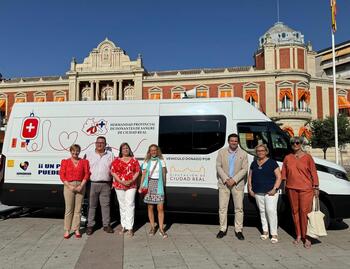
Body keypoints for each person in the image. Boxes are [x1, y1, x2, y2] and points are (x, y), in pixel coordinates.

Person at [281, 136, 319, 249]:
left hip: (306, 189)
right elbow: (284, 174)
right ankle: (298, 235)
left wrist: (316, 187)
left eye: (297, 143)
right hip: (291, 188)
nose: (295, 145)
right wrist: (284, 187)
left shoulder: (308, 157)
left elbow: (314, 173)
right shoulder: (288, 157)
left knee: (304, 212)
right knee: (294, 212)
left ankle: (306, 237)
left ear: (301, 144)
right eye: (293, 143)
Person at [216, 133, 248, 240]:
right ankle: (222, 229)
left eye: (235, 141)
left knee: (239, 208)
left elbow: (244, 169)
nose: (233, 142)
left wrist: (234, 180)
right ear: (228, 141)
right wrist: (226, 179)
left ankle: (238, 230)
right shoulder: (222, 152)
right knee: (222, 208)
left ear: (238, 142)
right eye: (232, 140)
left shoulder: (243, 153)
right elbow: (218, 166)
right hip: (224, 183)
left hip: (237, 184)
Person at [248, 144, 282, 243]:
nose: (260, 152)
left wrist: (275, 189)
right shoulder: (254, 163)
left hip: (270, 192)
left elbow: (279, 177)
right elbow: (250, 176)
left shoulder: (272, 163)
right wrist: (250, 188)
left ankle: (274, 233)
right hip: (258, 191)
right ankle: (265, 231)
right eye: (258, 151)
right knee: (262, 211)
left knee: (271, 211)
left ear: (266, 151)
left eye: (262, 150)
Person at [85, 136, 114, 235]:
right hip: (92, 184)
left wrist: (113, 182)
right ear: (95, 143)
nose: (100, 144)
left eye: (102, 142)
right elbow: (85, 170)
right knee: (92, 206)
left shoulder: (110, 155)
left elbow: (114, 169)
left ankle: (106, 225)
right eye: (98, 142)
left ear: (105, 144)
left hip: (106, 184)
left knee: (106, 206)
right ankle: (90, 225)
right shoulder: (89, 154)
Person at [59, 144, 90, 239]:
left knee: (78, 209)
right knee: (69, 209)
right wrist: (69, 186)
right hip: (69, 186)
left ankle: (76, 229)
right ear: (70, 151)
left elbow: (87, 174)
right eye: (73, 151)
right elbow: (62, 175)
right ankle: (67, 230)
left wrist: (81, 185)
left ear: (79, 152)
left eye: (77, 151)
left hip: (81, 186)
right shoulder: (65, 162)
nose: (75, 153)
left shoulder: (84, 162)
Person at [111, 143, 140, 237]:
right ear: (121, 150)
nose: (125, 149)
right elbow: (113, 172)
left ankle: (130, 227)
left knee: (130, 205)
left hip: (131, 185)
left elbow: (137, 171)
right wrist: (121, 181)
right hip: (119, 185)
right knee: (122, 205)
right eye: (123, 148)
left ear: (129, 149)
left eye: (127, 148)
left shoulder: (134, 160)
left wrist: (131, 180)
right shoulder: (116, 160)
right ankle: (123, 226)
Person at [139, 144, 168, 238]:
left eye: (155, 150)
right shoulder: (147, 162)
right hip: (149, 186)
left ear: (157, 151)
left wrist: (164, 186)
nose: (153, 152)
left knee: (160, 208)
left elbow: (164, 175)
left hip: (159, 186)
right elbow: (143, 175)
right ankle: (152, 227)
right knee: (150, 207)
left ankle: (161, 229)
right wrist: (140, 186)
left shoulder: (162, 161)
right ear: (149, 152)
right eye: (151, 150)